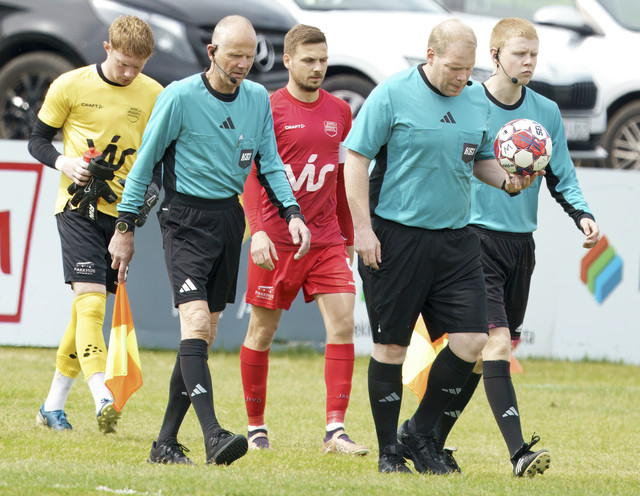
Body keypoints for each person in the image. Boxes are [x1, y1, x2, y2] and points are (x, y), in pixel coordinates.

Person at [108, 15, 311, 466]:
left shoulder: (257, 99)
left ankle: (164, 443)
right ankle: (213, 435)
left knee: (203, 334)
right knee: (197, 323)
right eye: (234, 55)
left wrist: (293, 212)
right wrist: (124, 227)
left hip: (227, 220)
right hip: (183, 219)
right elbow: (145, 164)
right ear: (212, 52)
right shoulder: (179, 96)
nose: (242, 64)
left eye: (249, 56)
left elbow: (269, 163)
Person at [343, 18, 543, 474]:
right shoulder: (392, 93)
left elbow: (481, 158)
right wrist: (362, 230)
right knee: (391, 348)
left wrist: (507, 181)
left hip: (456, 240)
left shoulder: (475, 100)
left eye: (469, 69)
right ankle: (388, 453)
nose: (462, 77)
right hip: (395, 238)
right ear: (430, 56)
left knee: (474, 340)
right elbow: (355, 161)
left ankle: (418, 432)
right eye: (454, 68)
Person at [429, 17, 599, 477]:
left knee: (481, 360)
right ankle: (519, 453)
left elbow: (562, 175)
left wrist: (582, 214)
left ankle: (425, 438)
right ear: (495, 56)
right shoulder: (466, 101)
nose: (528, 62)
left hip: (520, 245)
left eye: (533, 55)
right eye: (519, 54)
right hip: (471, 240)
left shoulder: (546, 111)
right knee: (496, 343)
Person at [27, 15, 162, 434]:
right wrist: (64, 162)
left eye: (138, 66)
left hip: (121, 216)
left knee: (84, 310)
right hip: (76, 207)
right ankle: (102, 395)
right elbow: (37, 140)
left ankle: (52, 407)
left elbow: (159, 156)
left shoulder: (155, 94)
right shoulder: (69, 85)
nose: (129, 73)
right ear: (107, 48)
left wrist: (148, 196)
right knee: (91, 304)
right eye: (123, 63)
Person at [240, 24, 368, 456]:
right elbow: (252, 175)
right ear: (288, 61)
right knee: (262, 331)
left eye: (323, 60)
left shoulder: (340, 111)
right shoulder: (267, 107)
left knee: (344, 324)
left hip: (326, 239)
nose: (317, 68)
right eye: (309, 60)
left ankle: (335, 430)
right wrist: (258, 229)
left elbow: (341, 177)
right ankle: (256, 428)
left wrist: (347, 236)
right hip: (276, 240)